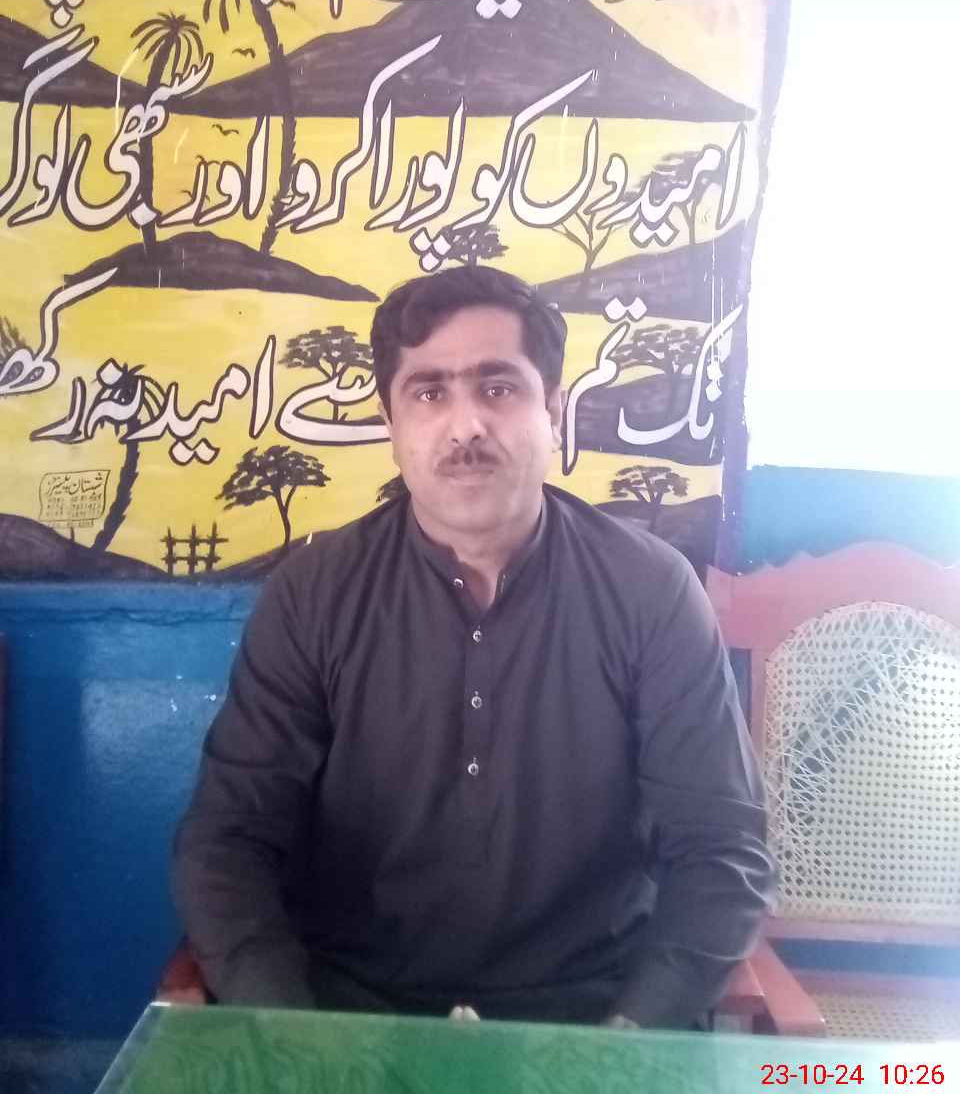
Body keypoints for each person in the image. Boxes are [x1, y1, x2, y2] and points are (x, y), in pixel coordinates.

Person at [172, 265, 774, 1029]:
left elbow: (721, 851)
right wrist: (296, 1033)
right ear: (391, 424)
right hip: (352, 1020)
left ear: (552, 410)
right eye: (429, 393)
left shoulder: (650, 591)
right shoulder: (314, 594)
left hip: (587, 1021)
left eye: (498, 387)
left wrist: (627, 1039)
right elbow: (228, 841)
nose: (466, 428)